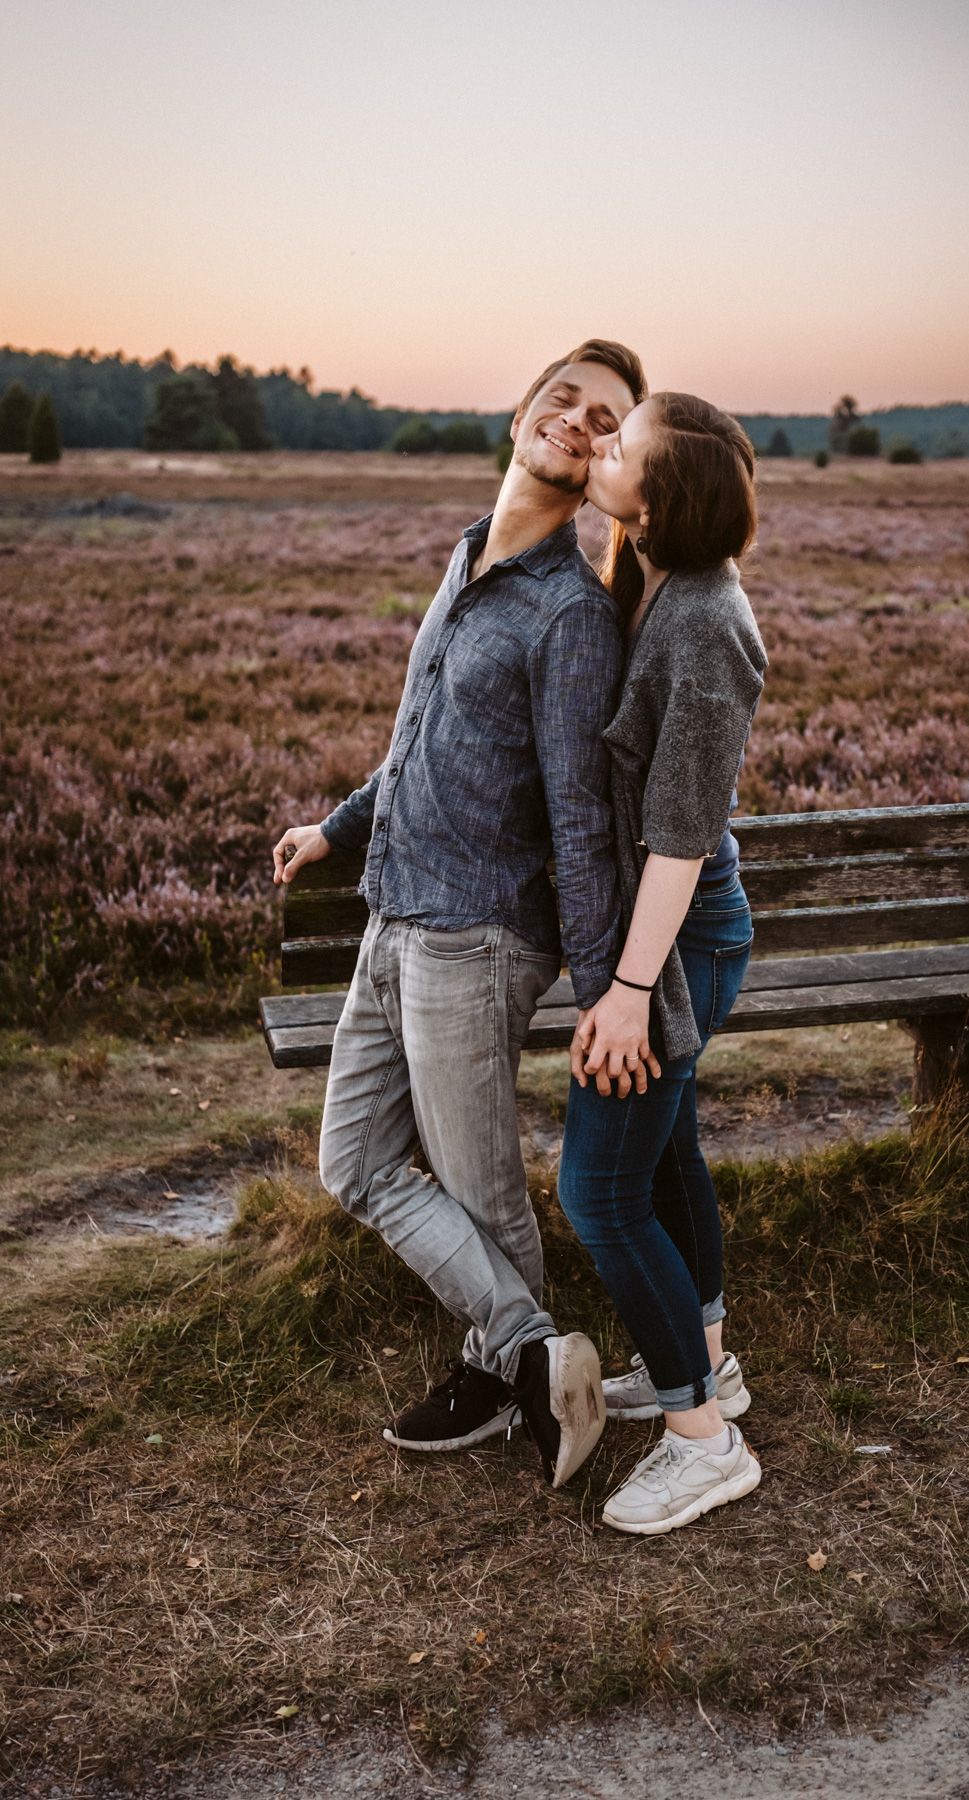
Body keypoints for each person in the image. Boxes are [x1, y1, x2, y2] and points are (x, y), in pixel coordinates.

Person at [270, 340, 647, 1488]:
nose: (578, 421)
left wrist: (603, 987)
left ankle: (509, 1383)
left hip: (475, 941)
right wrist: (338, 827)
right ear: (525, 409)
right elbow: (419, 739)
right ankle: (536, 1357)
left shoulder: (570, 618)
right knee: (354, 1163)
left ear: (607, 464)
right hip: (393, 917)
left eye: (606, 420)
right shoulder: (467, 558)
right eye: (565, 399)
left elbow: (580, 822)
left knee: (482, 1192)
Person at [555, 392, 768, 1535]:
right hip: (669, 931)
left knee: (595, 1189)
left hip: (675, 943)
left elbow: (682, 830)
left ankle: (703, 1441)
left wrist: (632, 994)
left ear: (664, 496)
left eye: (621, 448)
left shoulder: (702, 625)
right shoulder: (662, 587)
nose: (601, 450)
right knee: (668, 1152)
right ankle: (708, 1369)